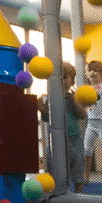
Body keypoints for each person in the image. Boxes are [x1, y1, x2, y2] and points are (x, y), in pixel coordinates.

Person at [37, 61, 87, 193]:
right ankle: (56, 198)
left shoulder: (75, 97)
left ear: (72, 82)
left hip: (74, 142)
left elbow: (83, 115)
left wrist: (72, 100)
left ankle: (76, 199)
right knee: (53, 172)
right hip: (55, 142)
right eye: (57, 78)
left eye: (64, 77)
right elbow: (46, 119)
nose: (60, 80)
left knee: (78, 175)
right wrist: (43, 110)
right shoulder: (48, 98)